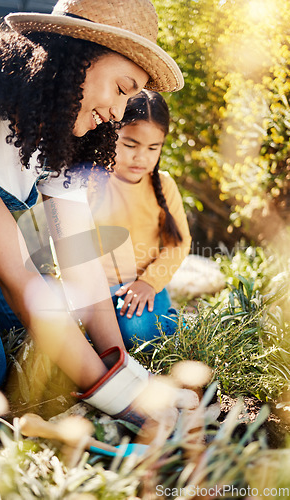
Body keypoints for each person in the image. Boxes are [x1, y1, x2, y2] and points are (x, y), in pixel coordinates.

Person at [0, 0, 198, 425]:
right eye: (122, 89)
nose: (119, 114)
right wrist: (124, 401)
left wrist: (122, 368)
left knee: (42, 324)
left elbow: (81, 261)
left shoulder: (57, 132)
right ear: (73, 57)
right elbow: (18, 275)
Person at [87, 90, 192, 350]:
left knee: (136, 331)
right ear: (111, 135)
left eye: (153, 148)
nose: (141, 157)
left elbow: (178, 244)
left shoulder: (164, 186)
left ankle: (175, 324)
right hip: (96, 288)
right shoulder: (91, 181)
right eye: (130, 145)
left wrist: (148, 283)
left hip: (144, 285)